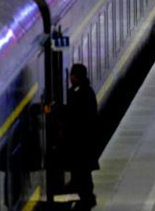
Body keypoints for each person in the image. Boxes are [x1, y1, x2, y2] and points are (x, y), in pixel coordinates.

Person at [63, 63, 99, 209]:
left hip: (82, 143)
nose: (70, 78)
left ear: (76, 77)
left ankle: (86, 199)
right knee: (82, 172)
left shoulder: (82, 93)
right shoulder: (85, 91)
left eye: (72, 75)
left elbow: (76, 116)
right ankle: (85, 196)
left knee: (83, 172)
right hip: (84, 143)